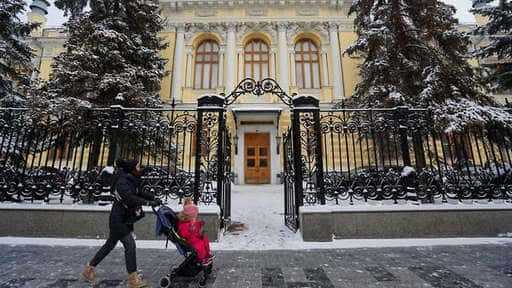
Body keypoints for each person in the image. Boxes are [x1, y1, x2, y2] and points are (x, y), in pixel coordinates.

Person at [81, 159, 162, 288]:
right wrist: (147, 203)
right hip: (119, 219)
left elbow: (138, 192)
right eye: (138, 166)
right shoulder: (123, 181)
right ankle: (133, 279)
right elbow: (129, 198)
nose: (139, 168)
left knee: (109, 245)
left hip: (123, 218)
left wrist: (152, 197)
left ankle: (89, 269)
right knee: (130, 245)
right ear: (132, 169)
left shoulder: (130, 179)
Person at [177, 198, 213, 265]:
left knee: (205, 239)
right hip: (189, 240)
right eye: (193, 216)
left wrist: (199, 224)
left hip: (195, 236)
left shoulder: (190, 221)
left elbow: (195, 227)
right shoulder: (183, 224)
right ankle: (202, 259)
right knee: (200, 245)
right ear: (187, 216)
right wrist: (191, 230)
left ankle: (207, 254)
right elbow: (184, 234)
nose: (194, 218)